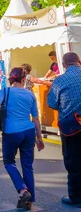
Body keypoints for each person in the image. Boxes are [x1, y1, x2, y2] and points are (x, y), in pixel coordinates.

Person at [0, 67, 44, 210]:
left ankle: (22, 190)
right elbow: (36, 118)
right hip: (28, 131)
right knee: (27, 166)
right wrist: (39, 137)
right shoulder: (30, 95)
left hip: (11, 133)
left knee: (9, 162)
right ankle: (29, 201)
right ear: (23, 79)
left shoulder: (5, 91)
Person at [47, 52, 81, 208]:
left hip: (71, 128)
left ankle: (76, 197)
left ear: (64, 64)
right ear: (79, 62)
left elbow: (52, 104)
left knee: (73, 161)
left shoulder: (59, 81)